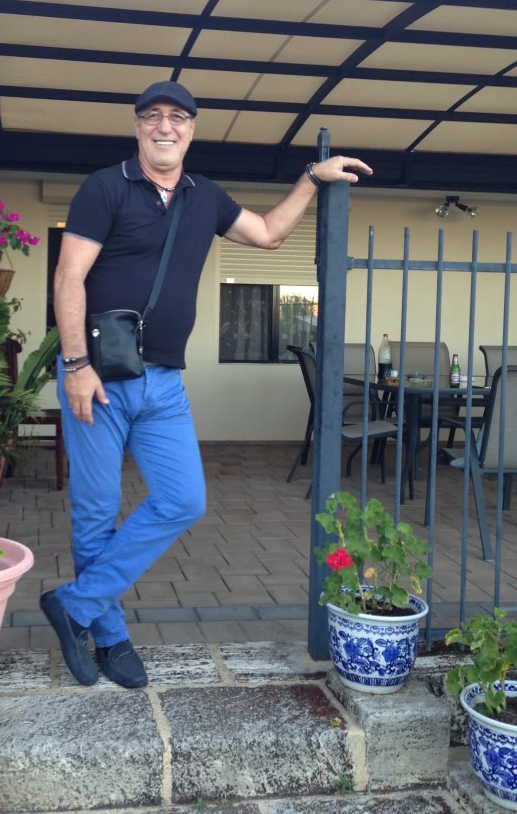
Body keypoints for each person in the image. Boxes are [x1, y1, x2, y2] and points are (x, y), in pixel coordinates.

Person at [41, 80, 372, 688]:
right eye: (152, 116)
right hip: (100, 377)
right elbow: (69, 276)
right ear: (137, 126)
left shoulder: (205, 197)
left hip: (164, 384)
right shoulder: (104, 187)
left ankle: (75, 605)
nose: (164, 126)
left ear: (192, 129)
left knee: (183, 500)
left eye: (177, 117)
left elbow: (268, 234)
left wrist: (311, 178)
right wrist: (76, 364)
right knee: (96, 513)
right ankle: (108, 637)